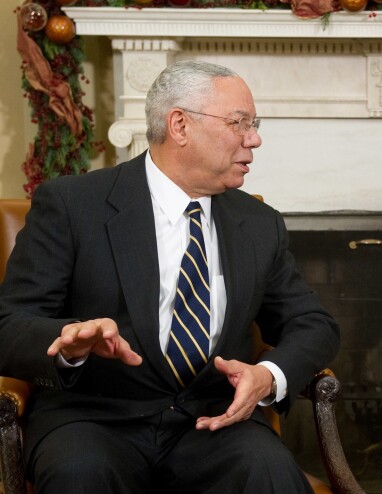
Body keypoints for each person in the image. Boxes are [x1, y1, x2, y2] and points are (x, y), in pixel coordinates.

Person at [0, 60, 340, 493]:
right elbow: (9, 325)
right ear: (179, 125)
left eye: (253, 125)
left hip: (213, 421)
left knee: (269, 472)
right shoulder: (72, 206)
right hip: (94, 418)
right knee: (80, 473)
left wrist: (270, 374)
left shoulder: (259, 224)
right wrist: (69, 341)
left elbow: (313, 323)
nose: (254, 139)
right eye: (239, 123)